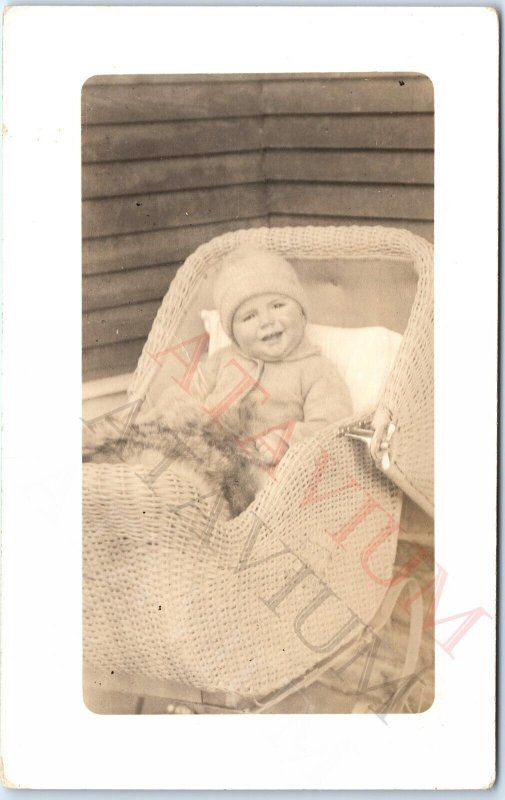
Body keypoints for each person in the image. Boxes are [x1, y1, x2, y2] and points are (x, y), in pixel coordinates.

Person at [194, 246, 353, 470]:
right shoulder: (221, 360)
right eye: (249, 317)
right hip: (211, 462)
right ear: (233, 332)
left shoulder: (314, 369)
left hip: (273, 472)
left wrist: (285, 440)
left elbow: (332, 424)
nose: (266, 321)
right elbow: (189, 400)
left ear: (301, 311)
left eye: (277, 305)